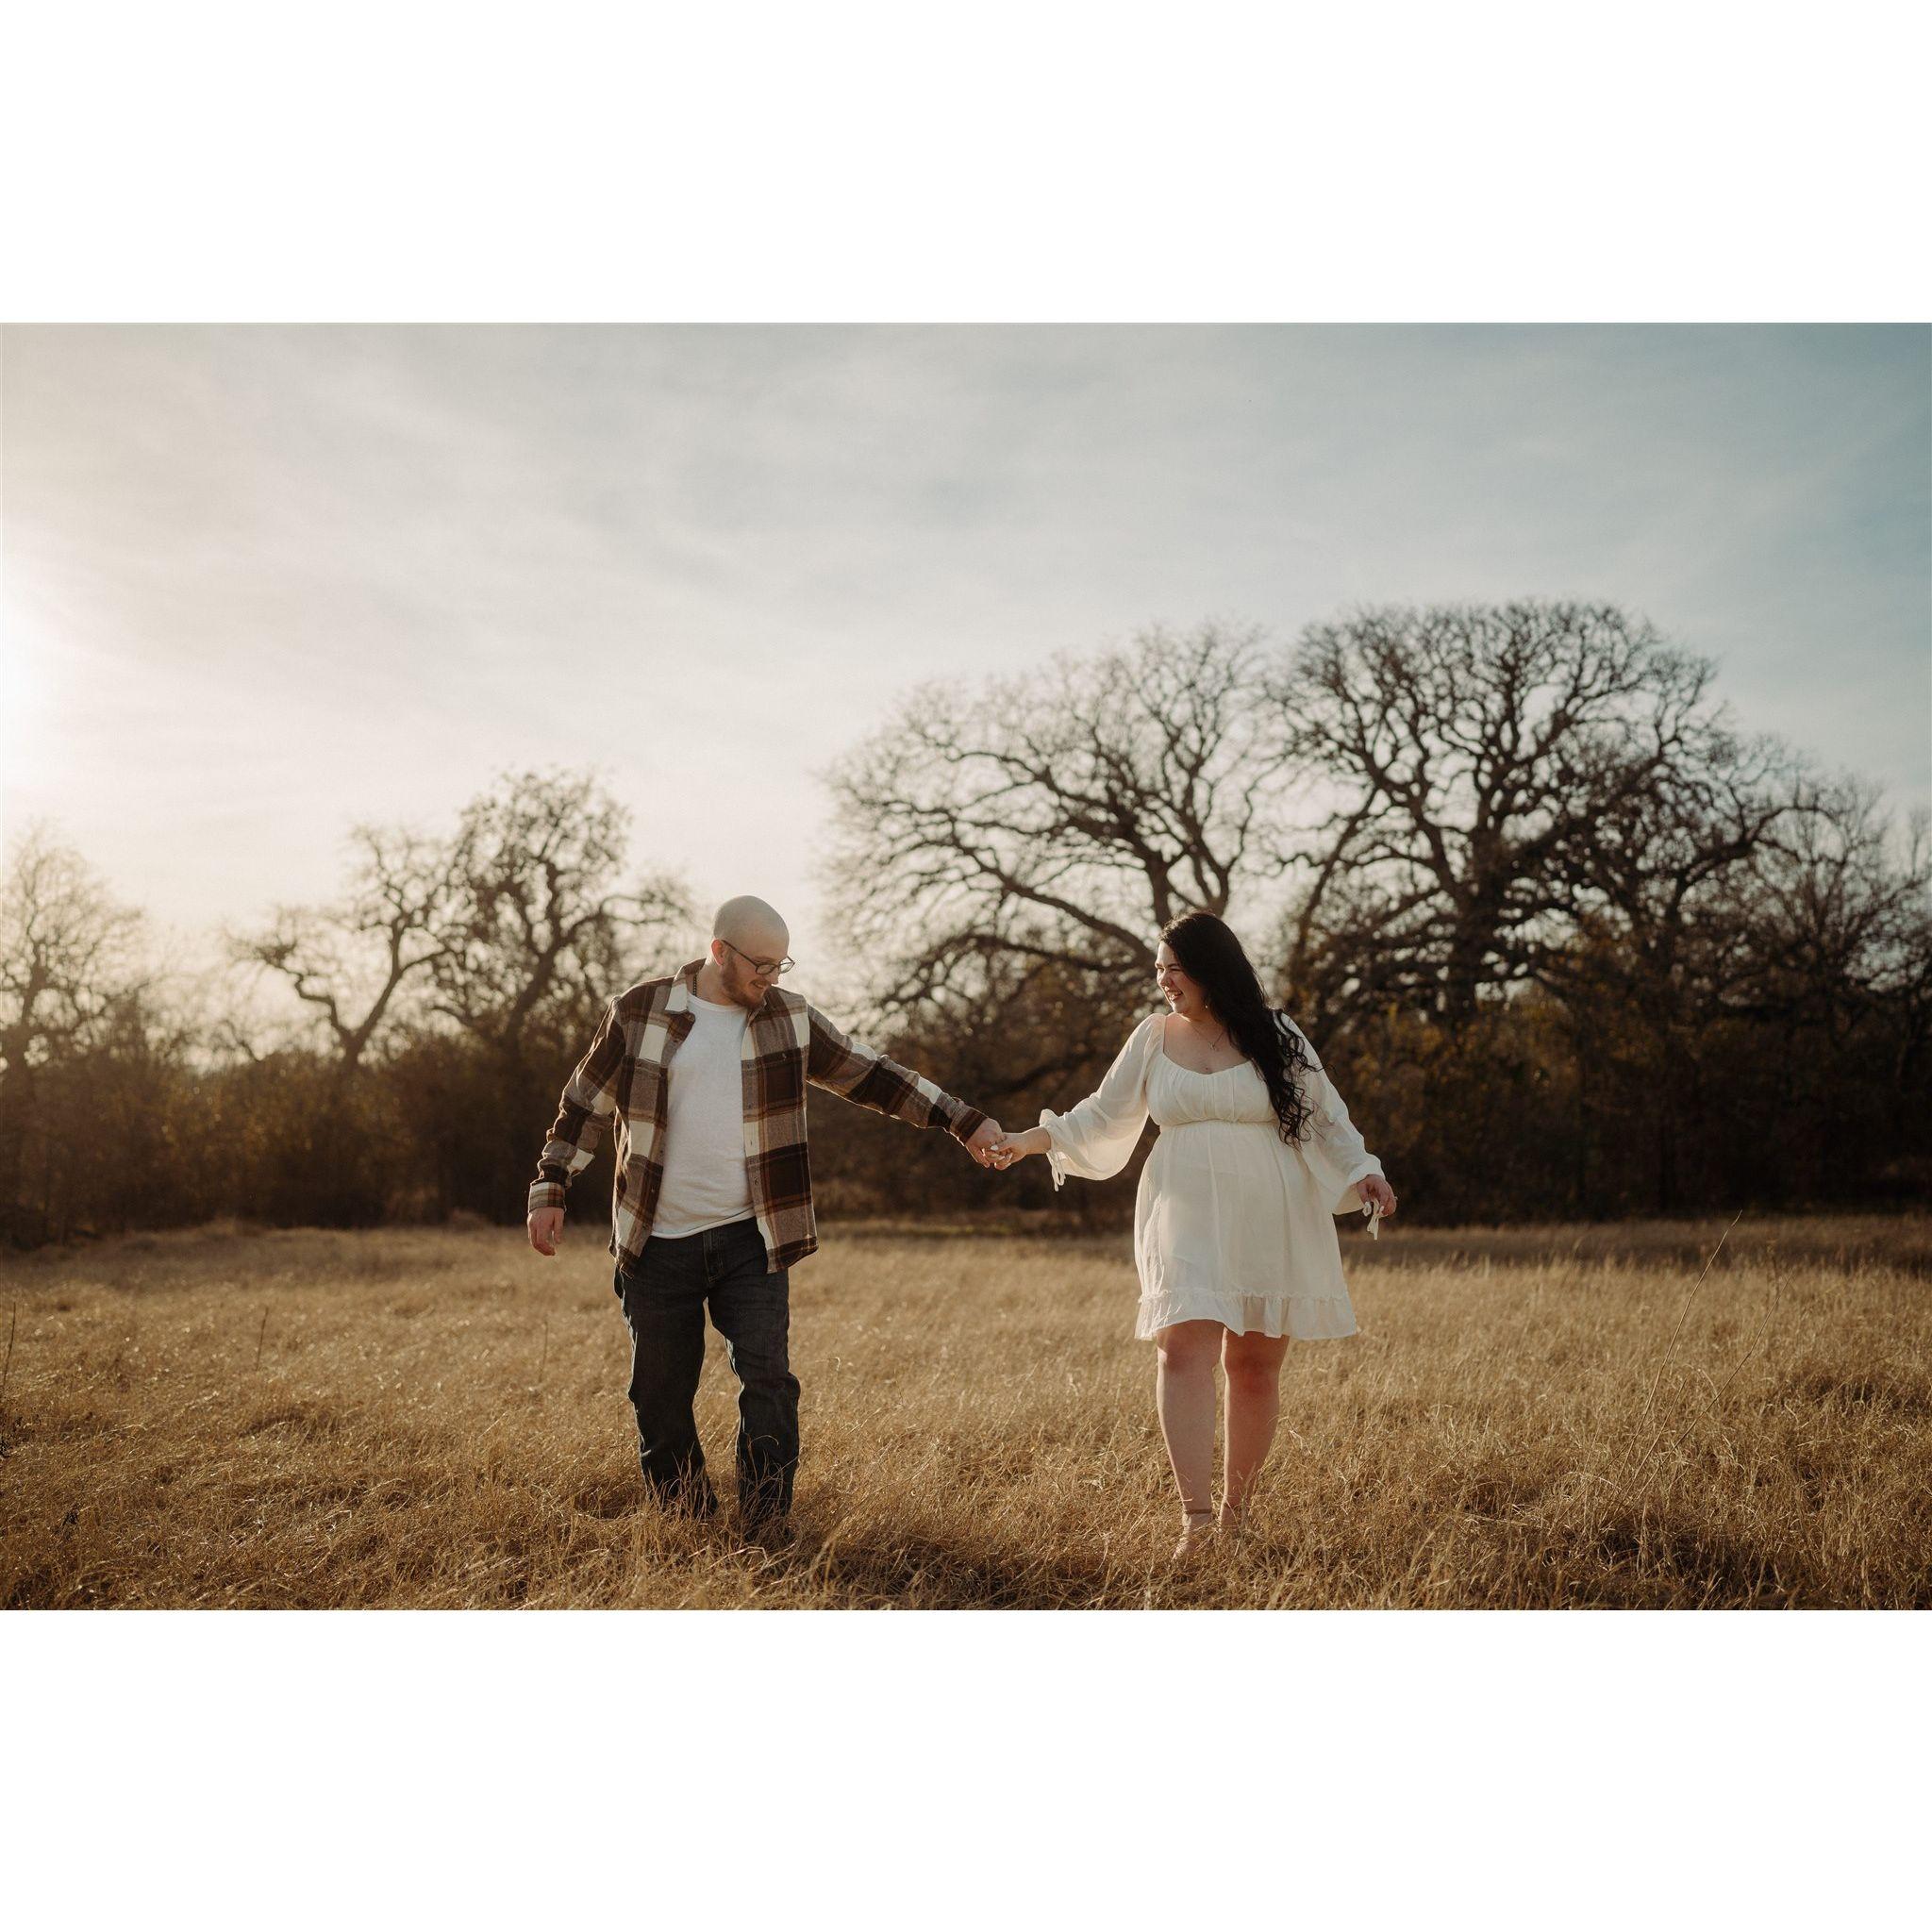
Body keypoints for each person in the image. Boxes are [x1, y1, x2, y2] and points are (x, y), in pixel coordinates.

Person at [527, 895, 1005, 1546]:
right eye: (760, 965)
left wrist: (962, 1121)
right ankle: (688, 1523)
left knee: (769, 1383)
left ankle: (764, 1526)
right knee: (659, 1394)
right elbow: (583, 1105)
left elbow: (874, 1075)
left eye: (781, 965)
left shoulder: (789, 1018)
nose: (771, 978)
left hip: (751, 1238)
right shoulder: (640, 1011)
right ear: (718, 951)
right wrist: (551, 1187)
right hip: (656, 1241)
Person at [988, 911, 1397, 1559]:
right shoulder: (1153, 1037)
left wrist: (1363, 1171)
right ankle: (1197, 1522)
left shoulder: (1276, 1032)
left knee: (1253, 1365)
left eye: (1175, 968)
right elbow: (1100, 1114)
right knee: (1181, 1350)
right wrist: (1026, 1141)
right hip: (1182, 1209)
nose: (1164, 980)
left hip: (1270, 1209)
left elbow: (1327, 1117)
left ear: (1212, 968)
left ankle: (1237, 1516)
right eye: (1158, 969)